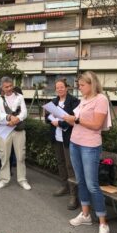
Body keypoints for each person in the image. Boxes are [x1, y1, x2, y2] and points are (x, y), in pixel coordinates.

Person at [63, 71, 111, 233]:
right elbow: (77, 119)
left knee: (92, 185)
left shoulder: (101, 99)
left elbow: (97, 125)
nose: (79, 87)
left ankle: (103, 224)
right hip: (75, 142)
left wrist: (75, 120)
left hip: (90, 146)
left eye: (82, 85)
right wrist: (68, 118)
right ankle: (85, 215)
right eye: (79, 85)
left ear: (92, 84)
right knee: (80, 180)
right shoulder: (83, 100)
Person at [45, 78, 80, 210]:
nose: (59, 89)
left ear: (66, 88)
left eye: (62, 87)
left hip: (68, 138)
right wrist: (52, 120)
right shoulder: (53, 102)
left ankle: (73, 194)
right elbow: (47, 117)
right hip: (56, 137)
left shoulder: (74, 102)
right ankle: (64, 186)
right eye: (57, 87)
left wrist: (60, 123)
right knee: (60, 162)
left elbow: (75, 120)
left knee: (70, 165)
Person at [0, 77, 31, 190]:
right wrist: (8, 117)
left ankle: (22, 179)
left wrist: (16, 119)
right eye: (6, 87)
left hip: (18, 129)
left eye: (10, 86)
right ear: (2, 87)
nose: (9, 88)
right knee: (4, 155)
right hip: (5, 129)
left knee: (21, 156)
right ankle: (4, 179)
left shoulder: (20, 97)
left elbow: (24, 112)